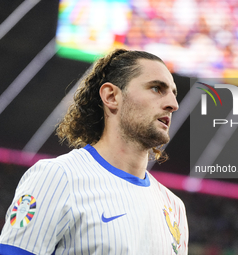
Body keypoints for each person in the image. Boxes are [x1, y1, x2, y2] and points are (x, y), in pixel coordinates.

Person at [0, 49, 189, 254]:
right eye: (156, 88)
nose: (173, 104)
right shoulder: (57, 178)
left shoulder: (174, 207)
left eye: (173, 93)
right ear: (111, 96)